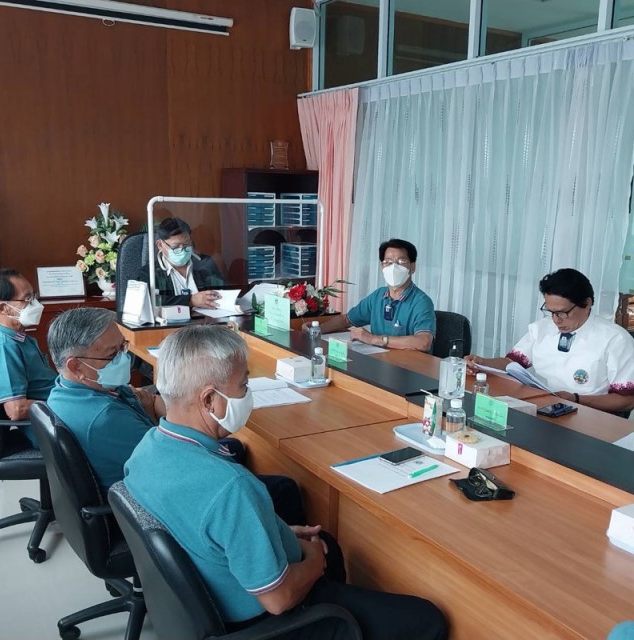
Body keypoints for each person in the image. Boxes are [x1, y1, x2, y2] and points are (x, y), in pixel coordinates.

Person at [124, 325, 448, 640]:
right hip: (262, 621)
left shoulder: (144, 451)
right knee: (426, 619)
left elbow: (203, 526)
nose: (247, 393)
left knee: (328, 543)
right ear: (209, 400)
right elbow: (278, 600)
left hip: (208, 590)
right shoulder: (230, 487)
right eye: (243, 384)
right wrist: (314, 562)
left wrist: (276, 532)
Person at [47, 308, 306, 524]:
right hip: (152, 503)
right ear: (76, 366)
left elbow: (150, 403)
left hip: (145, 478)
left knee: (235, 447)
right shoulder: (104, 418)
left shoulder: (70, 390)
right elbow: (167, 457)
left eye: (123, 347)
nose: (123, 358)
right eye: (112, 354)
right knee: (281, 487)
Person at [466, 268, 634, 414]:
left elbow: (627, 401)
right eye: (551, 312)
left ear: (587, 303)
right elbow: (511, 363)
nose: (556, 320)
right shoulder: (542, 329)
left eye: (563, 312)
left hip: (589, 415)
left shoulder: (615, 339)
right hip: (543, 407)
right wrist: (481, 362)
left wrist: (576, 399)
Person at [302, 239, 435, 352]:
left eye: (401, 262)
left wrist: (373, 339)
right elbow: (346, 320)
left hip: (408, 366)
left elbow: (424, 342)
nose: (393, 267)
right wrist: (317, 329)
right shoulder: (379, 296)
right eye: (388, 262)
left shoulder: (421, 302)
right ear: (382, 267)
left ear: (412, 267)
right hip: (380, 360)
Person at [0, 268, 56, 445]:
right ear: (3, 308)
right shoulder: (3, 346)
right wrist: (65, 401)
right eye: (28, 299)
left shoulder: (18, 338)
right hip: (50, 426)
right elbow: (16, 409)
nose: (35, 304)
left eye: (34, 297)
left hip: (57, 413)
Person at [135, 216, 224, 310]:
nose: (182, 250)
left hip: (207, 317)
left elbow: (222, 291)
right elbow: (147, 303)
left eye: (186, 244)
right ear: (160, 245)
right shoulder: (148, 274)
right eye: (175, 247)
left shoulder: (205, 264)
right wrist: (190, 300)